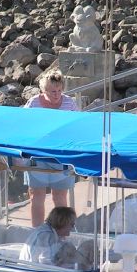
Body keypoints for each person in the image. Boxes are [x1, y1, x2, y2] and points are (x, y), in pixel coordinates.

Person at [23, 70, 79, 227]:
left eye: (60, 90)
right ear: (43, 90)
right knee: (36, 195)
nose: (57, 95)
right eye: (53, 91)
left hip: (61, 155)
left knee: (60, 197)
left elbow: (78, 126)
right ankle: (37, 232)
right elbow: (23, 125)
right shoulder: (33, 103)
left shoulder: (69, 103)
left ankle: (62, 232)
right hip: (38, 155)